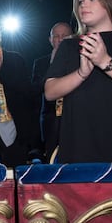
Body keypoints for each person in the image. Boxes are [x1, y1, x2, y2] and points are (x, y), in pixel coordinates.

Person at [45, 0, 112, 163]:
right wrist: (81, 74)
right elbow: (49, 92)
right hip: (78, 146)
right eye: (80, 1)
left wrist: (105, 61)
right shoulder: (69, 45)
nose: (83, 5)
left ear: (111, 0)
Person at [0, 20, 39, 168]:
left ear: (0, 36)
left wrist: (0, 72)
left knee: (16, 177)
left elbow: (27, 93)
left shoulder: (15, 59)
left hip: (13, 128)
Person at [31, 22, 72, 159]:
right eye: (56, 36)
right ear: (50, 39)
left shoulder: (81, 59)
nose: (60, 39)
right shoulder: (41, 62)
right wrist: (53, 65)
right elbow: (35, 90)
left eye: (65, 36)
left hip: (74, 116)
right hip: (50, 120)